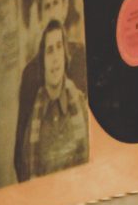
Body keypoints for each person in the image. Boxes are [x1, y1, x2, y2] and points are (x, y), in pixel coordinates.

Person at [13, 0, 87, 182]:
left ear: (65, 6)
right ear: (40, 13)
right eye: (47, 6)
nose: (52, 11)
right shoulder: (29, 74)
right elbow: (19, 154)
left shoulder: (82, 57)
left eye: (56, 3)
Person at [18, 19, 89, 179]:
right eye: (49, 51)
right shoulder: (33, 122)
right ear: (42, 61)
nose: (55, 58)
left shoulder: (81, 105)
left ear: (65, 55)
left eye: (59, 47)